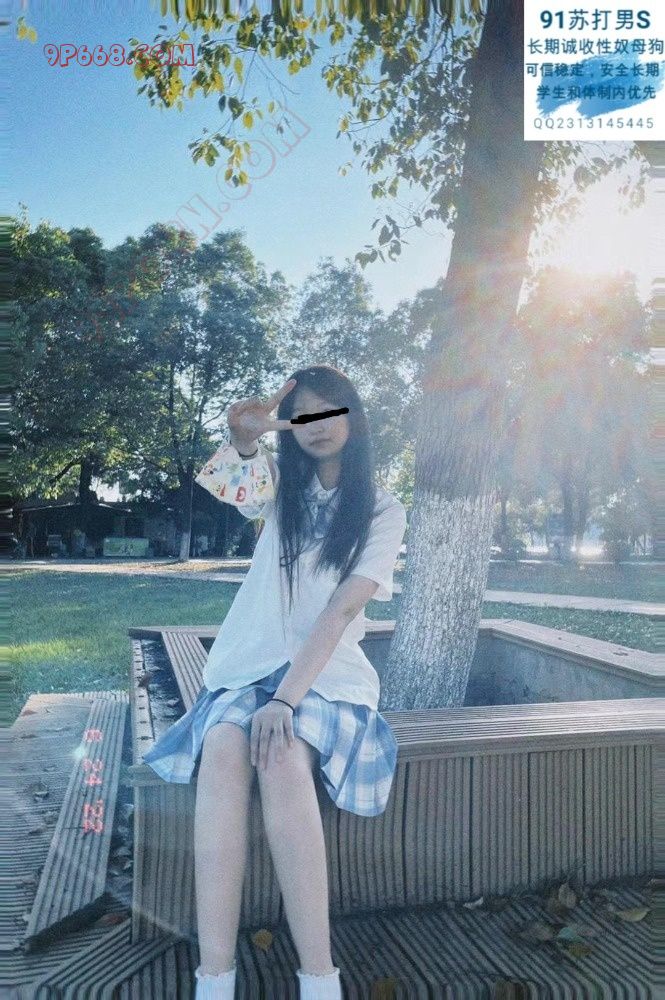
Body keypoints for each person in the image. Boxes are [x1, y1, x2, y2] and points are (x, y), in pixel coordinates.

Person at [141, 365, 408, 1000]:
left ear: (354, 417)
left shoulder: (382, 509)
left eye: (330, 411)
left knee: (282, 757)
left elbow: (340, 611)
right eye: (303, 415)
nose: (317, 425)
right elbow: (239, 482)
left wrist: (286, 699)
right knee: (223, 748)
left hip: (327, 677)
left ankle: (319, 977)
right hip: (247, 665)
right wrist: (243, 438)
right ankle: (215, 976)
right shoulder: (280, 487)